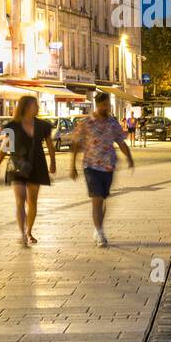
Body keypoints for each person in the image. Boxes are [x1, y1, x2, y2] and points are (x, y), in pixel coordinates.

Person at [69, 91, 134, 247]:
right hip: (91, 166)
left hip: (108, 166)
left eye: (108, 105)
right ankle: (100, 233)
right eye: (104, 105)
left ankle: (98, 228)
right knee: (96, 199)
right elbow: (76, 144)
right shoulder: (86, 123)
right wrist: (72, 166)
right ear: (98, 105)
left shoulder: (113, 123)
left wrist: (130, 158)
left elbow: (121, 142)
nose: (107, 108)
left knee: (103, 199)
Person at [0, 94, 56, 246]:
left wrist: (53, 162)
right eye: (36, 105)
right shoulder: (13, 126)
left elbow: (50, 146)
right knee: (20, 200)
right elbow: (5, 148)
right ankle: (22, 234)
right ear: (27, 107)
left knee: (32, 202)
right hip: (17, 167)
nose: (38, 107)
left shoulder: (43, 126)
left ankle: (29, 232)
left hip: (37, 165)